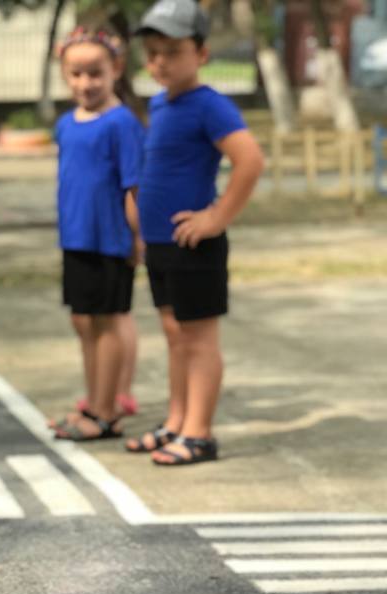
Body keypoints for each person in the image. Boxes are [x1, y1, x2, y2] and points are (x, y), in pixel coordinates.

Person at [127, 0, 263, 464]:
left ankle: (199, 433)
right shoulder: (160, 104)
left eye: (173, 51)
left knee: (199, 339)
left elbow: (250, 160)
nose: (160, 62)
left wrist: (216, 218)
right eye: (153, 53)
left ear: (201, 53)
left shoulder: (210, 105)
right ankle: (176, 421)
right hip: (161, 244)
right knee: (175, 336)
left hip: (194, 243)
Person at [48, 25, 146, 442]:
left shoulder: (121, 123)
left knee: (107, 322)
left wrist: (137, 238)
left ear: (115, 70)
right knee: (83, 321)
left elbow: (134, 187)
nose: (85, 83)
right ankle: (93, 402)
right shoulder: (66, 124)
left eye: (95, 73)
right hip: (77, 238)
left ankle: (107, 412)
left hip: (110, 240)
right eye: (76, 74)